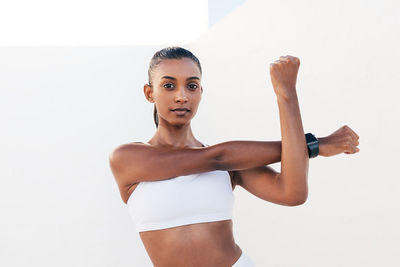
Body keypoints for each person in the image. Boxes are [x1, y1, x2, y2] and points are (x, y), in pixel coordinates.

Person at [109, 47, 360, 267]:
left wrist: (286, 94)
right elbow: (217, 157)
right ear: (149, 93)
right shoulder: (128, 158)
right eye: (168, 85)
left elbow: (292, 193)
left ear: (200, 92)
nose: (181, 96)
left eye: (192, 85)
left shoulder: (232, 164)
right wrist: (315, 145)